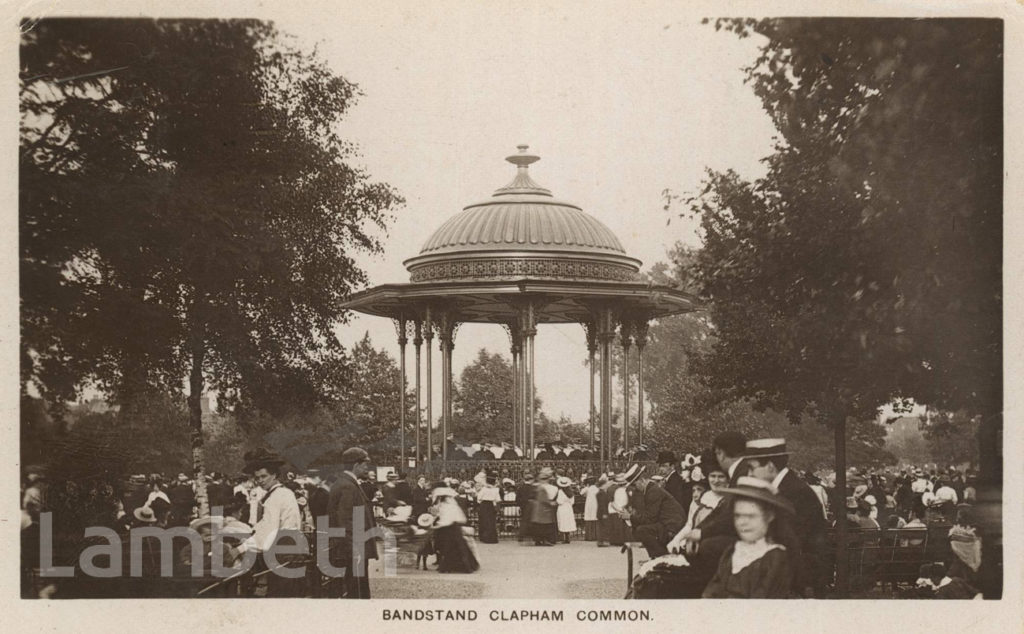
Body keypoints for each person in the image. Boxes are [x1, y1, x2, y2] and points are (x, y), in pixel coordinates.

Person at [744, 438, 827, 597]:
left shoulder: (795, 493)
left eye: (752, 468)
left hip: (799, 584)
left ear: (770, 467)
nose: (749, 474)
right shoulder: (783, 489)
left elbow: (791, 542)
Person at [702, 477, 795, 599]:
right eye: (737, 516)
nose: (742, 522)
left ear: (769, 517)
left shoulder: (775, 558)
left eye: (751, 516)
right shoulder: (733, 550)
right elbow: (712, 591)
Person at [237, 449, 304, 597]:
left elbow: (268, 531)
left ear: (274, 475)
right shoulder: (280, 493)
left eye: (264, 476)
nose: (260, 480)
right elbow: (264, 524)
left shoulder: (277, 497)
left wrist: (240, 549)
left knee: (281, 596)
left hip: (283, 552)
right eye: (257, 477)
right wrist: (252, 532)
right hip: (287, 549)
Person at [327, 447, 378, 599]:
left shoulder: (346, 483)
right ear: (356, 465)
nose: (367, 468)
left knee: (356, 590)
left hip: (353, 549)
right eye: (365, 465)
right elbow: (346, 522)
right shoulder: (347, 486)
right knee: (357, 593)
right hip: (354, 551)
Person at [622, 465, 684, 558]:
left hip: (672, 526)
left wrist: (630, 517)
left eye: (634, 484)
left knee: (641, 530)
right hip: (669, 523)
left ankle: (660, 557)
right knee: (639, 529)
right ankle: (657, 556)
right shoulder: (651, 490)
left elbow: (650, 518)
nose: (635, 488)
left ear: (642, 480)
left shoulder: (652, 492)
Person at [431, 485, 480, 573]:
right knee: (457, 547)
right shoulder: (449, 505)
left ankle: (452, 567)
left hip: (450, 529)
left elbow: (447, 520)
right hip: (453, 528)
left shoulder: (447, 506)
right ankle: (461, 566)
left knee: (451, 548)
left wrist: (437, 525)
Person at [531, 467, 558, 546]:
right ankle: (546, 540)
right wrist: (551, 503)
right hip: (544, 509)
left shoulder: (537, 487)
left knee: (539, 526)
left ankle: (538, 540)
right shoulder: (549, 488)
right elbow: (544, 499)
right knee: (545, 526)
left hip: (538, 509)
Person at [476, 474, 500, 544]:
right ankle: (492, 538)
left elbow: (479, 498)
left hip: (484, 505)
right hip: (491, 505)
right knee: (491, 522)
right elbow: (498, 499)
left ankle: (484, 538)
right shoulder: (496, 490)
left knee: (484, 521)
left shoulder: (484, 489)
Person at [555, 476, 577, 544]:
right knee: (567, 522)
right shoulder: (571, 492)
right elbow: (573, 502)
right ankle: (567, 537)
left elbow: (559, 501)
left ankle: (563, 537)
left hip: (562, 507)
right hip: (568, 507)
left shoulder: (560, 492)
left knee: (562, 521)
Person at [582, 475, 600, 541]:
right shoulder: (597, 489)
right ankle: (595, 536)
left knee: (589, 517)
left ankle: (589, 536)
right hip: (595, 504)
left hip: (589, 504)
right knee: (595, 517)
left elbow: (581, 492)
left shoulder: (587, 489)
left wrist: (586, 487)